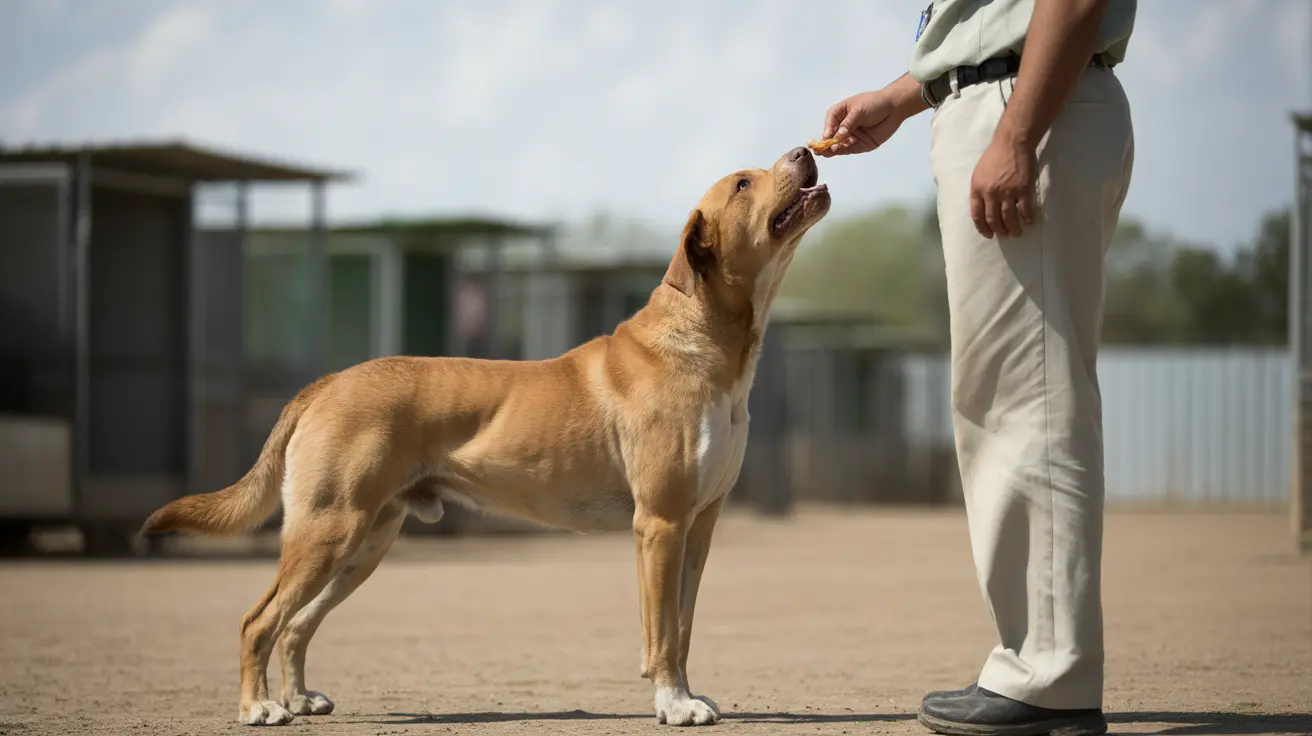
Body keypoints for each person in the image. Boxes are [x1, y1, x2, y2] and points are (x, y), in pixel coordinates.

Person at [817, 1, 1136, 735]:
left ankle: (1049, 676)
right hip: (1008, 95)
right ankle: (1043, 662)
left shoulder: (1020, 114)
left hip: (1025, 102)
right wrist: (908, 94)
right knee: (1011, 392)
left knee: (1032, 396)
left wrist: (1016, 134)